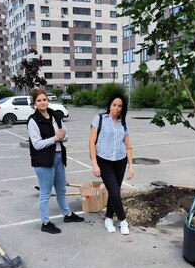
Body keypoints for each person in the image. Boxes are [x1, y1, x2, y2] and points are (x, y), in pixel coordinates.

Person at [27, 89, 84, 234]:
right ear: (34, 103)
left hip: (59, 157)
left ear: (47, 100)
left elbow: (65, 135)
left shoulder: (55, 115)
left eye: (44, 99)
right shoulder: (33, 120)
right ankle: (45, 223)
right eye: (38, 100)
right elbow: (37, 144)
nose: (42, 102)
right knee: (45, 193)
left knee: (61, 190)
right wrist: (56, 138)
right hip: (44, 161)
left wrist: (61, 137)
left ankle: (67, 215)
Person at [89, 94, 134, 235]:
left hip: (120, 161)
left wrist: (131, 165)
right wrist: (95, 164)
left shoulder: (123, 123)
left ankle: (108, 219)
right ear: (110, 105)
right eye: (114, 105)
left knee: (114, 193)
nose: (117, 108)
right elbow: (91, 143)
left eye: (120, 106)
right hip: (104, 161)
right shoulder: (100, 119)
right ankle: (123, 221)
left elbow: (128, 146)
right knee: (115, 192)